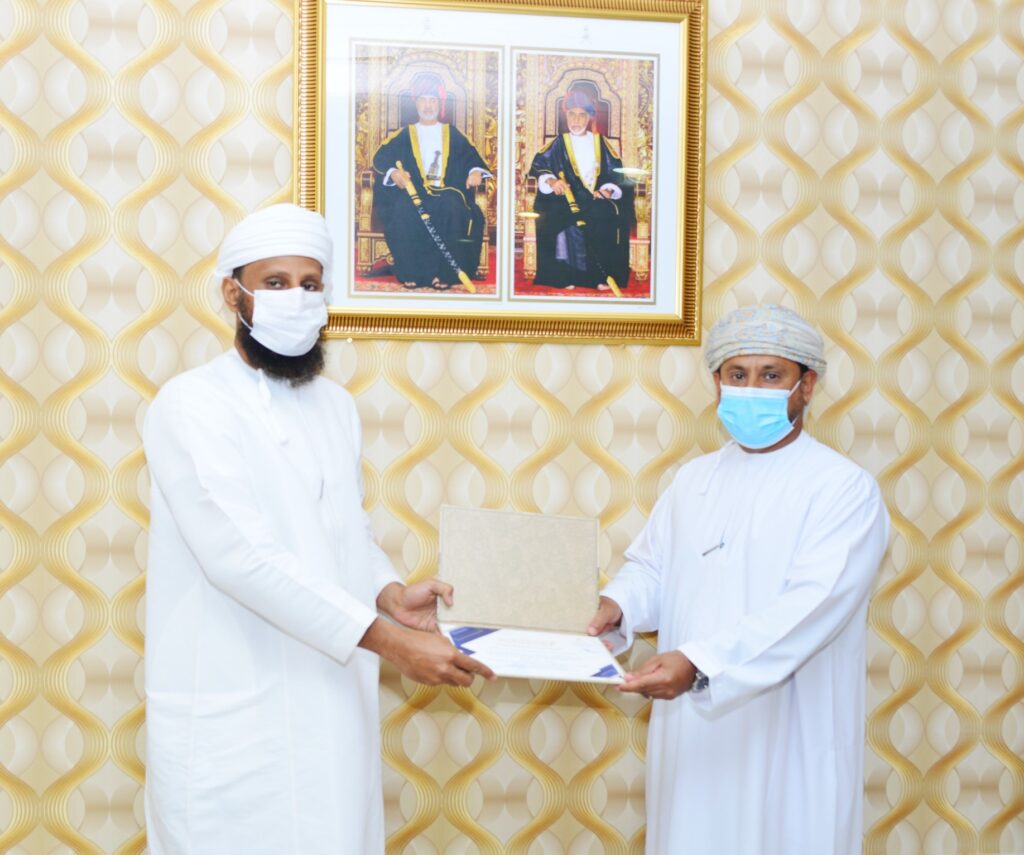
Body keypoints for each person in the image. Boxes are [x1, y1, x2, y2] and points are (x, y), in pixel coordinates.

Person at [143, 203, 494, 855]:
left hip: (330, 695)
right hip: (231, 701)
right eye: (275, 283)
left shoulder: (335, 405)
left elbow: (345, 526)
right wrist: (390, 642)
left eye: (310, 284)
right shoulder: (191, 404)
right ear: (233, 293)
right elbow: (238, 556)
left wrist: (390, 593)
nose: (297, 298)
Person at [587, 304, 890, 855]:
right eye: (737, 374)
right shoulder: (693, 479)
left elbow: (813, 606)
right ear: (717, 384)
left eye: (771, 375)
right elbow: (653, 568)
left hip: (789, 734)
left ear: (807, 386)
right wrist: (619, 605)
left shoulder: (843, 488)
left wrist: (700, 663)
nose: (752, 389)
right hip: (692, 738)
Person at [371, 73, 492, 290]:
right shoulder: (404, 134)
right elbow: (380, 159)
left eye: (433, 100)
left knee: (452, 207)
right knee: (402, 209)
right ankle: (412, 273)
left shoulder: (452, 134)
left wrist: (475, 173)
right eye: (423, 100)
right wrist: (394, 173)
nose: (428, 105)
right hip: (414, 194)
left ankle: (445, 274)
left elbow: (472, 159)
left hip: (447, 193)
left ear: (440, 104)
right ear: (416, 103)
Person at [528, 88, 634, 290]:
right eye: (572, 114)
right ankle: (564, 276)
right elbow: (540, 167)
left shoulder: (600, 143)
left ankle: (602, 277)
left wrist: (608, 190)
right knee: (556, 214)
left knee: (605, 213)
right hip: (565, 199)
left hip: (595, 198)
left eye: (581, 115)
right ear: (566, 116)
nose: (576, 120)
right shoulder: (558, 143)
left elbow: (616, 173)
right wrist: (552, 182)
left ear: (589, 117)